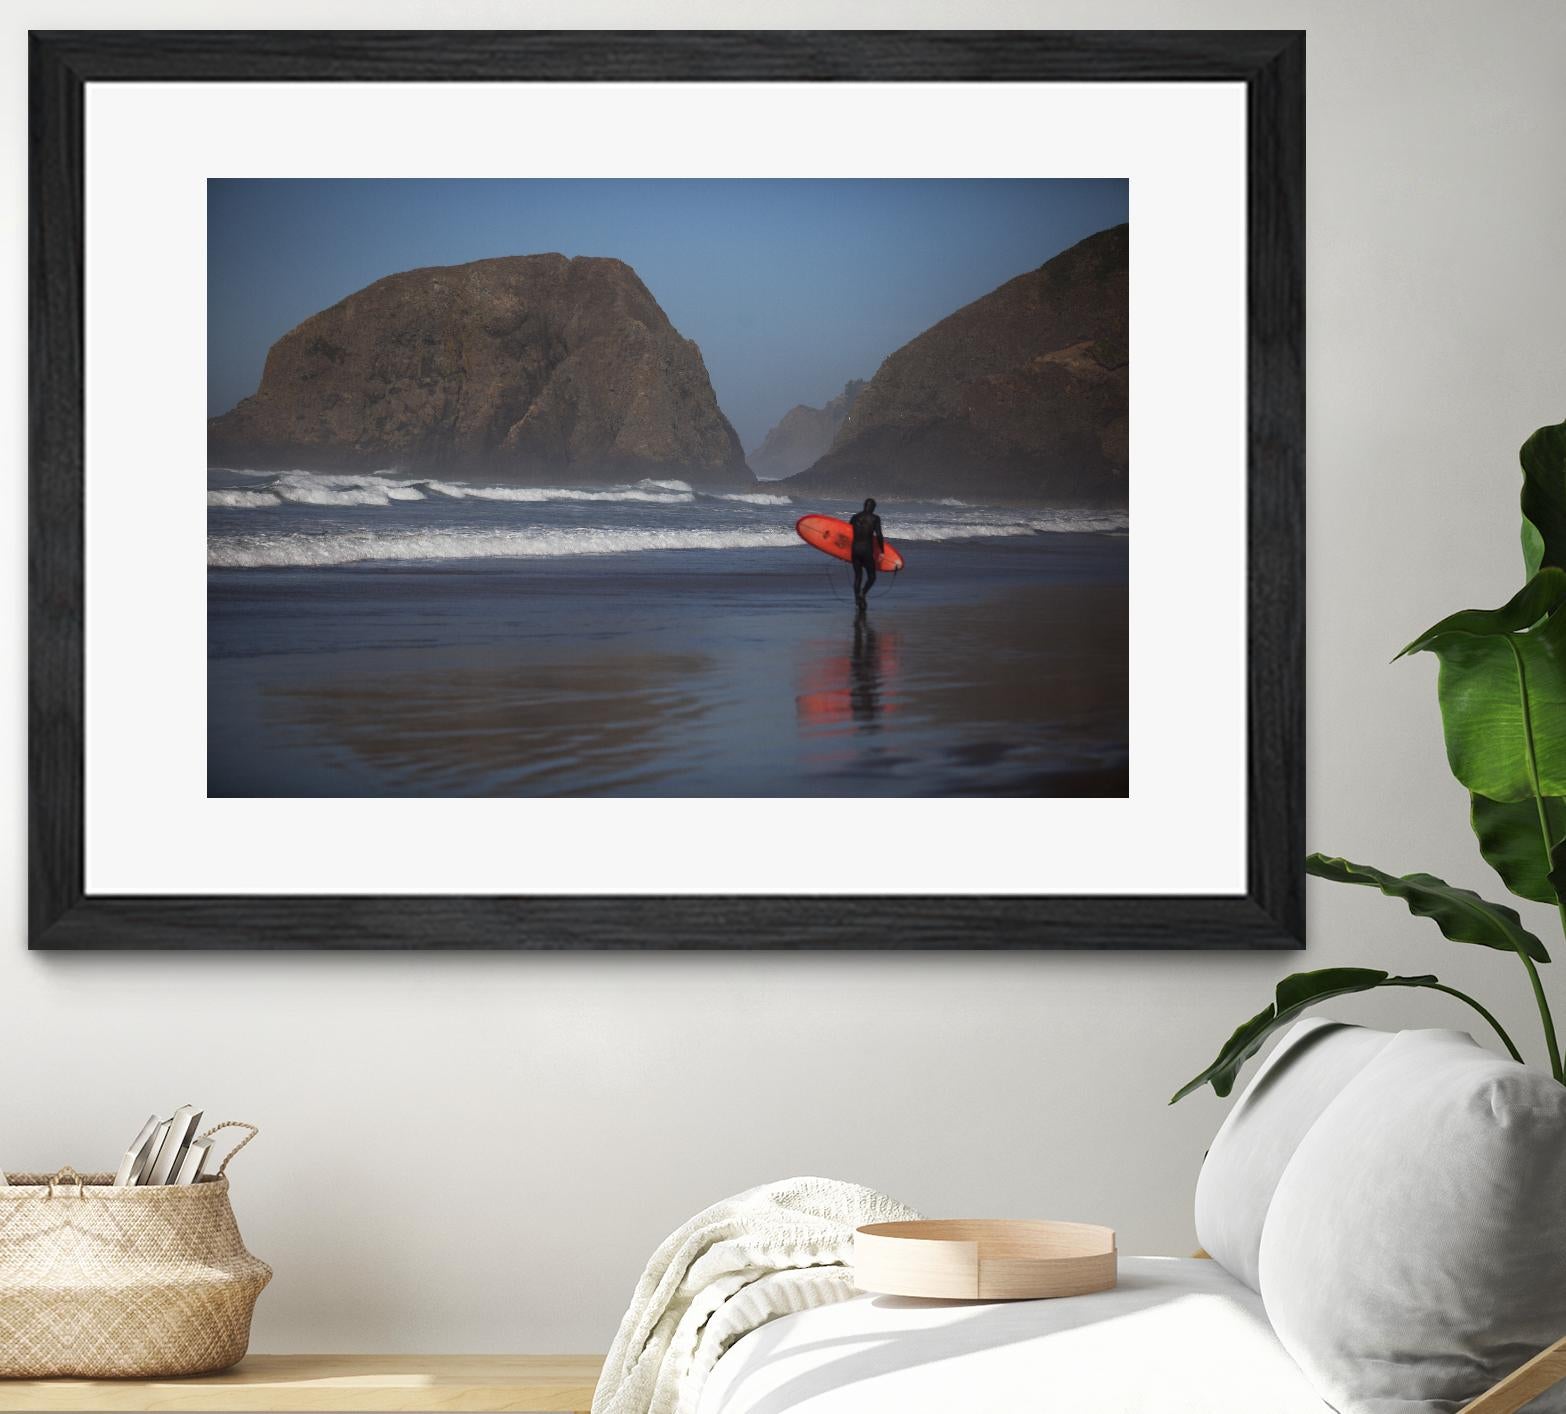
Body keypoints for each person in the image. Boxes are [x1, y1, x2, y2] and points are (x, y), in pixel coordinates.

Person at [849, 497, 885, 609]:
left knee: (858, 576)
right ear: (873, 508)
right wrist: (882, 551)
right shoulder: (875, 518)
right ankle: (863, 594)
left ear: (864, 506)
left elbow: (846, 531)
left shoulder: (855, 517)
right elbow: (879, 535)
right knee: (872, 576)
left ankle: (857, 599)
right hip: (866, 550)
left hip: (855, 550)